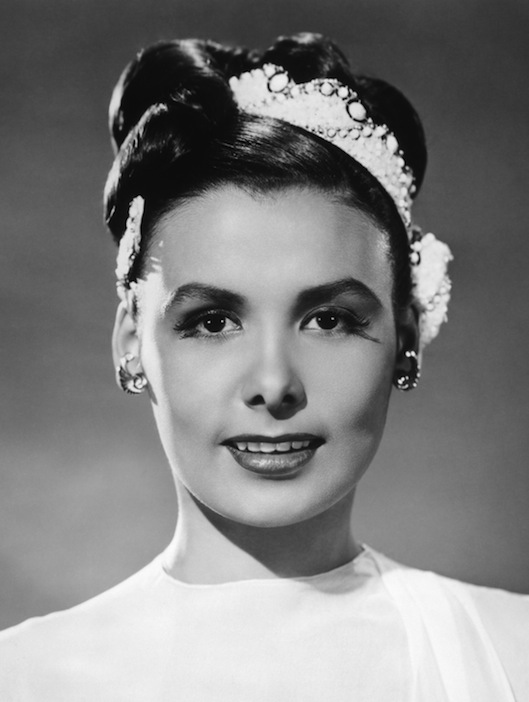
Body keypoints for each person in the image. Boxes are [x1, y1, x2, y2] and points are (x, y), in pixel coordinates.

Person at [0, 32, 527, 701]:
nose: (274, 385)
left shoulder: (513, 652)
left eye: (328, 320)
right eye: (213, 322)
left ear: (406, 336)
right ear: (131, 342)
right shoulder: (21, 677)